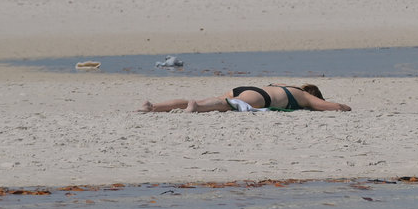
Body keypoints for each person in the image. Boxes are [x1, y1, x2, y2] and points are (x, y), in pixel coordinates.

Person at [139, 83, 351, 113]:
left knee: (211, 99)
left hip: (248, 88)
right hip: (262, 97)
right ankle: (196, 108)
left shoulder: (285, 85)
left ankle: (153, 106)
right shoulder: (304, 95)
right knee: (225, 105)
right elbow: (335, 107)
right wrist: (345, 106)